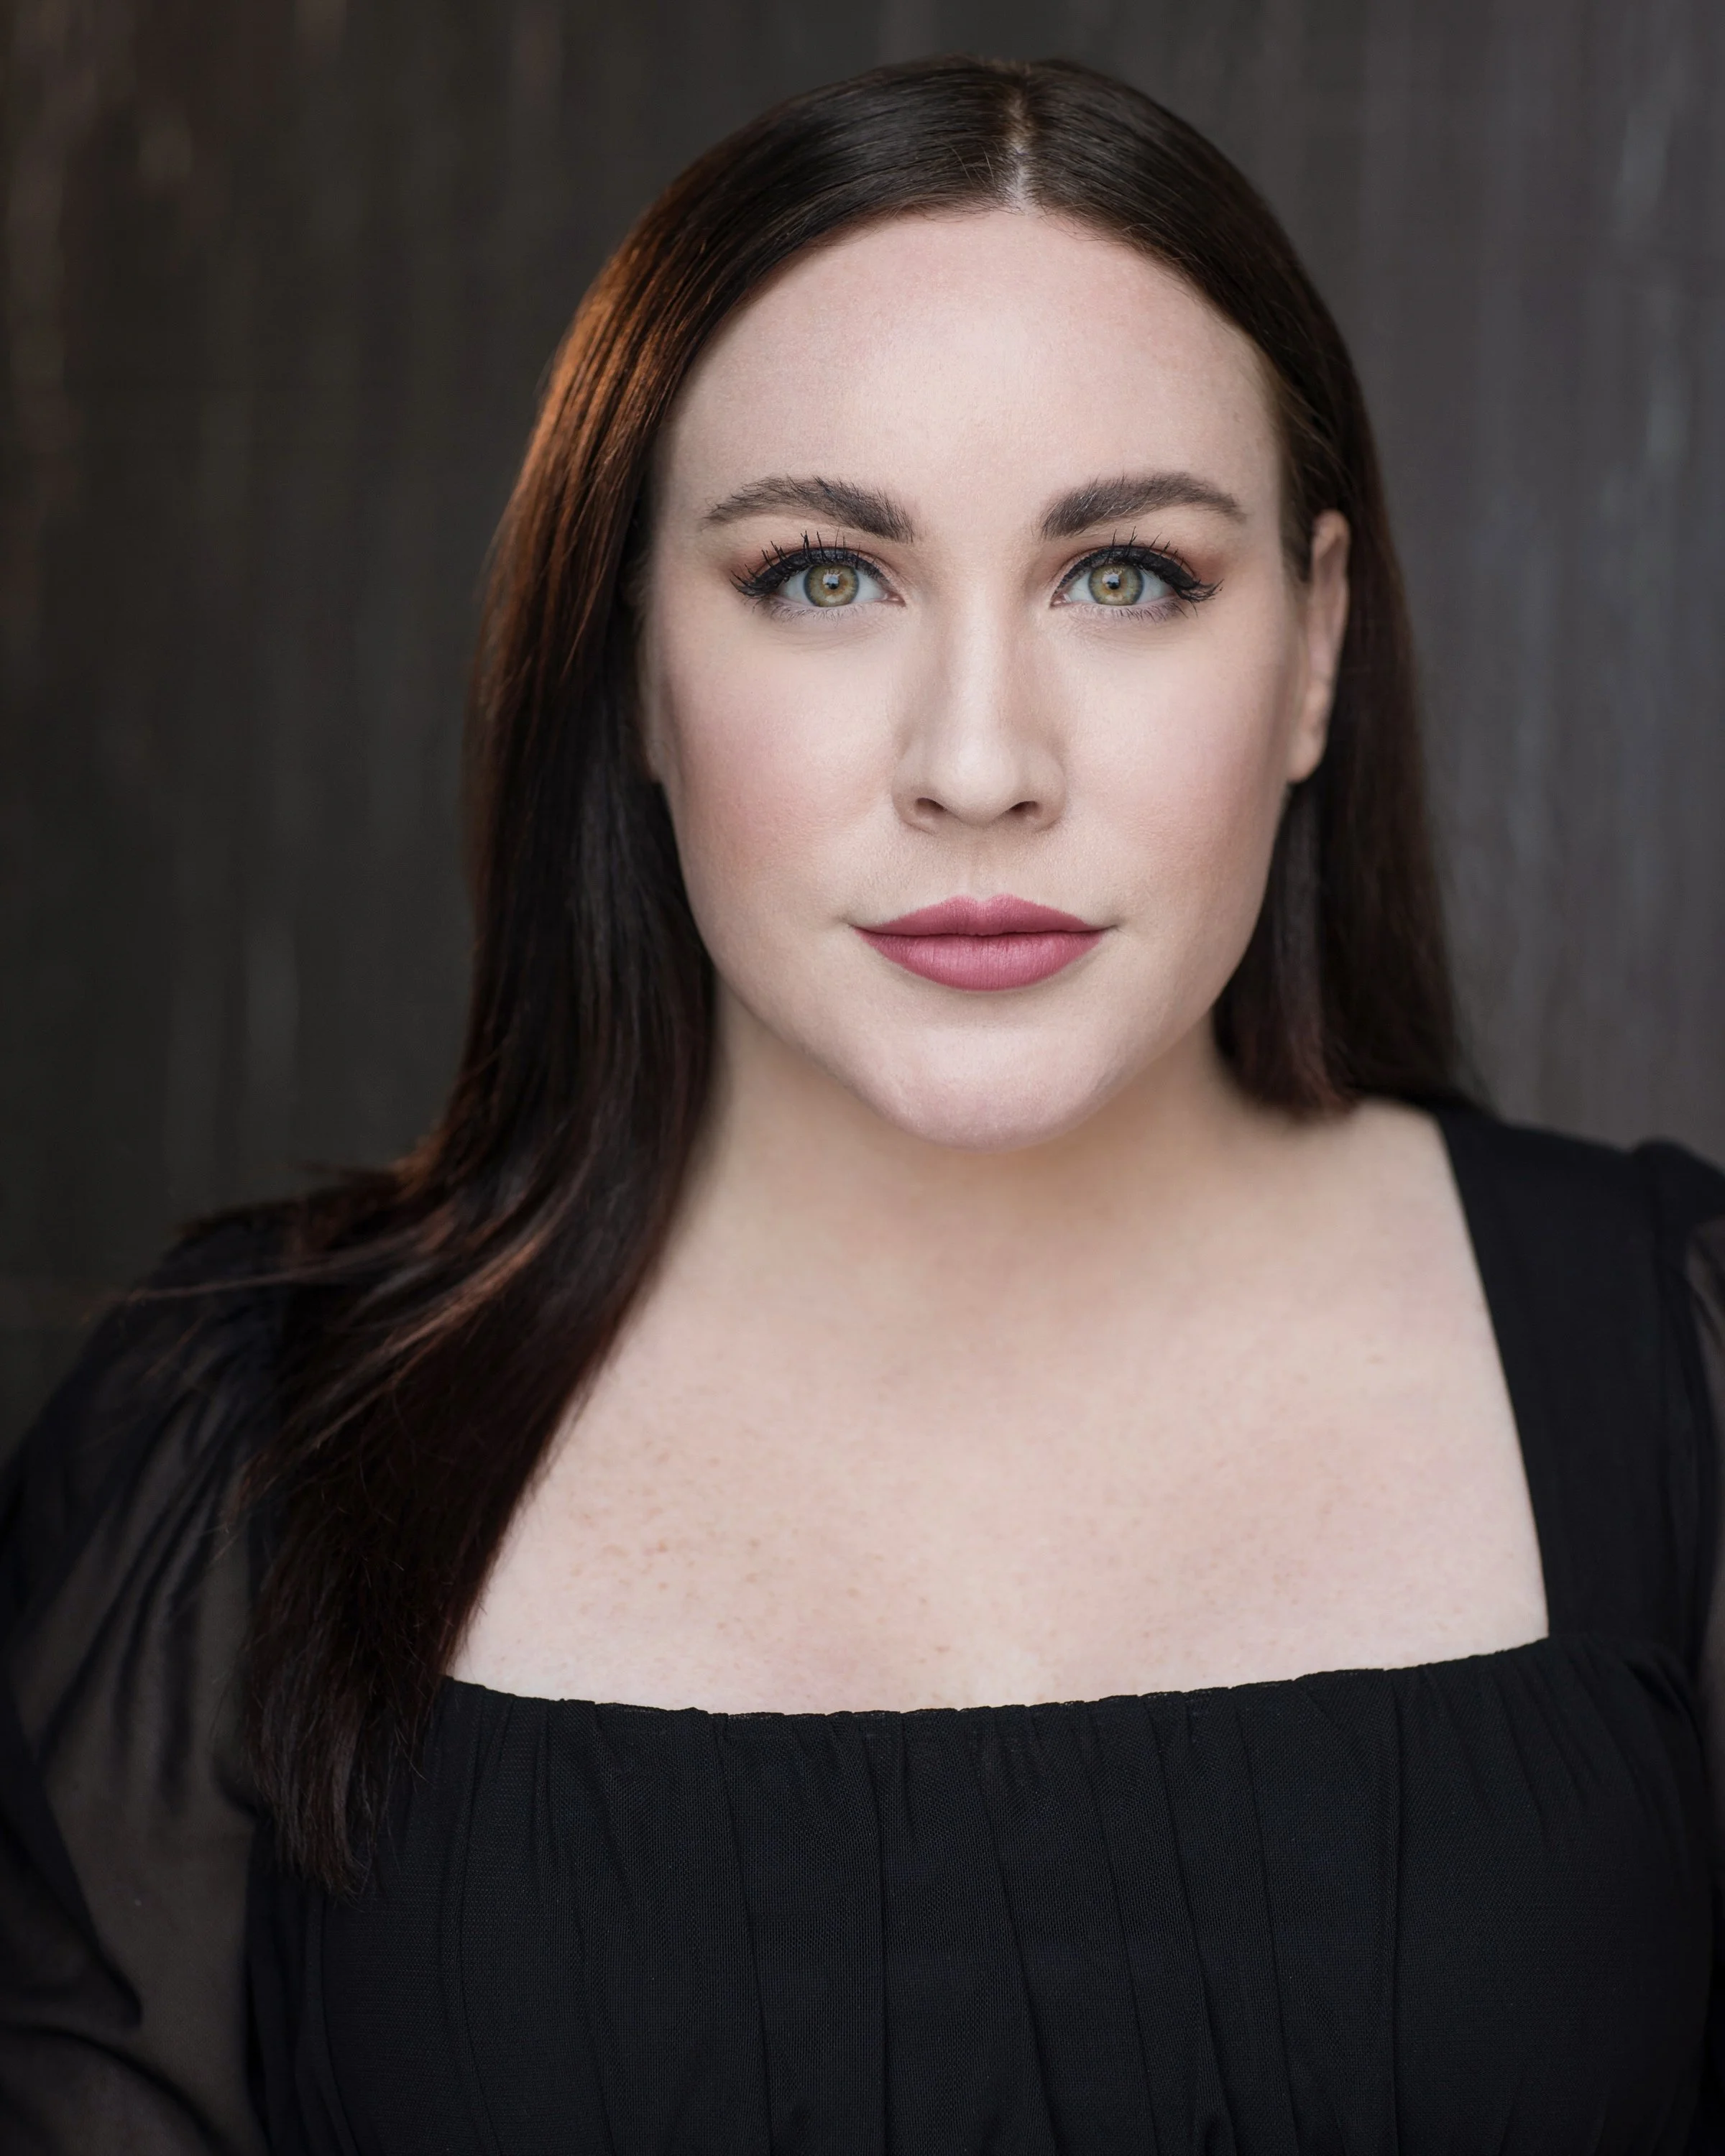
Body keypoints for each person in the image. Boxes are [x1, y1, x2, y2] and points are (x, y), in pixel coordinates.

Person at [3, 52, 1723, 2155]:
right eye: (824, 574)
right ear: (631, 661)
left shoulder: (1684, 1375)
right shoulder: (234, 1455)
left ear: (1314, 650)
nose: (978, 765)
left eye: (1128, 574)